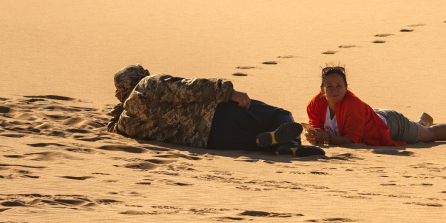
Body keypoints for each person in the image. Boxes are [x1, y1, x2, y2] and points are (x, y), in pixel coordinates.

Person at [108, 64, 321, 157]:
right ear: (138, 77)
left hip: (210, 141)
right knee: (279, 114)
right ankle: (291, 145)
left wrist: (122, 103)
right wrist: (228, 92)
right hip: (218, 114)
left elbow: (112, 125)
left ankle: (271, 145)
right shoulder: (147, 85)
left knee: (257, 141)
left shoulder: (124, 125)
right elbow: (189, 88)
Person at [303, 65, 446, 148]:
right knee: (421, 130)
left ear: (347, 88)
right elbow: (319, 127)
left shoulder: (353, 106)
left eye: (339, 86)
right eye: (329, 87)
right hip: (373, 117)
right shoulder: (315, 104)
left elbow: (353, 140)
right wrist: (315, 135)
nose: (334, 90)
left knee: (430, 136)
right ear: (321, 89)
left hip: (390, 125)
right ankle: (421, 123)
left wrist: (326, 138)